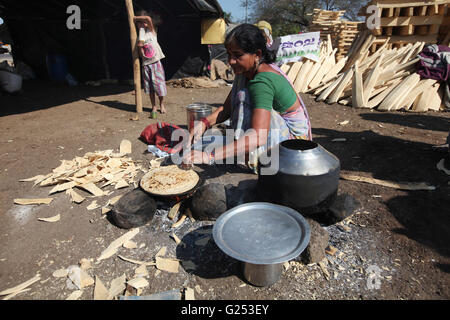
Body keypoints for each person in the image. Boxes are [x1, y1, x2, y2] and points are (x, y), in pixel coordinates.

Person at [182, 23, 312, 172]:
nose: (230, 61)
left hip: (292, 145)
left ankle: (261, 159)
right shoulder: (245, 72)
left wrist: (209, 156)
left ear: (256, 54)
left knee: (244, 98)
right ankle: (245, 150)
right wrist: (204, 123)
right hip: (268, 133)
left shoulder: (262, 81)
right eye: (229, 55)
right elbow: (226, 109)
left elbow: (258, 136)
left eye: (237, 55)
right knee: (241, 97)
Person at [134, 11, 167, 116]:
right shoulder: (139, 36)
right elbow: (140, 53)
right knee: (150, 88)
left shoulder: (152, 32)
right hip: (146, 64)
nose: (143, 24)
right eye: (140, 23)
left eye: (144, 22)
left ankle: (162, 105)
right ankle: (154, 106)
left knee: (159, 86)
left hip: (156, 62)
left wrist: (134, 17)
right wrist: (139, 46)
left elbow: (148, 18)